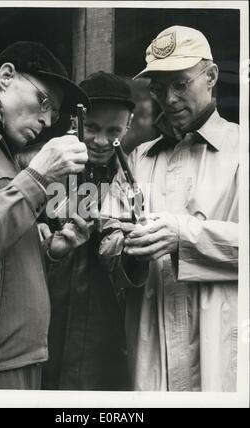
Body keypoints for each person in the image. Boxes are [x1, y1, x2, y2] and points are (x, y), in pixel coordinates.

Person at [100, 26, 238, 391]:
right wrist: (129, 249)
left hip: (223, 349)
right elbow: (107, 241)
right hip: (152, 354)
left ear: (210, 77)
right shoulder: (137, 160)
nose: (169, 98)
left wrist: (183, 235)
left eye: (180, 84)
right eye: (159, 88)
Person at [0, 41, 92, 389]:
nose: (48, 120)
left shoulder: (0, 147)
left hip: (15, 360)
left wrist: (50, 252)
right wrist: (36, 178)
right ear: (6, 77)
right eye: (44, 101)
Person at [41, 71, 135, 390]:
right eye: (92, 128)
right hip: (47, 335)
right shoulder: (47, 172)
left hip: (106, 343)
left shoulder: (133, 179)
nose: (100, 141)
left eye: (114, 131)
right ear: (75, 122)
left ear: (129, 126)